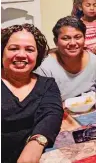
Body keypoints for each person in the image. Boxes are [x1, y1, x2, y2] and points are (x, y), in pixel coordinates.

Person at [1, 24, 63, 163]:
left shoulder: (47, 84)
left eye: (29, 49)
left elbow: (51, 114)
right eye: (14, 48)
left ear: (38, 55)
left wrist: (35, 143)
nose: (21, 55)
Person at [35, 16, 96, 100]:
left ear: (84, 39)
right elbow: (42, 104)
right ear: (56, 42)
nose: (73, 43)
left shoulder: (94, 61)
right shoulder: (45, 68)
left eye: (78, 37)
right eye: (66, 38)